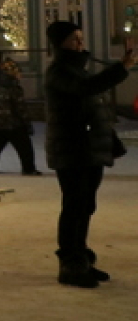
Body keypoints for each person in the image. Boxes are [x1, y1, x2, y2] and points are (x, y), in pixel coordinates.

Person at [43, 20, 134, 287]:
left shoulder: (77, 70)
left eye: (81, 38)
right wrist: (121, 69)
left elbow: (93, 104)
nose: (80, 44)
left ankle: (80, 256)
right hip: (71, 149)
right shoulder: (59, 71)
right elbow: (87, 89)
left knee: (85, 205)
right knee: (74, 206)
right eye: (74, 39)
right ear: (60, 43)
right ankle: (70, 263)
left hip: (86, 149)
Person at [0, 58, 39, 176]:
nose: (20, 75)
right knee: (25, 147)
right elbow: (20, 108)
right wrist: (26, 123)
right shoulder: (14, 89)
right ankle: (28, 168)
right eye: (18, 72)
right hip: (13, 124)